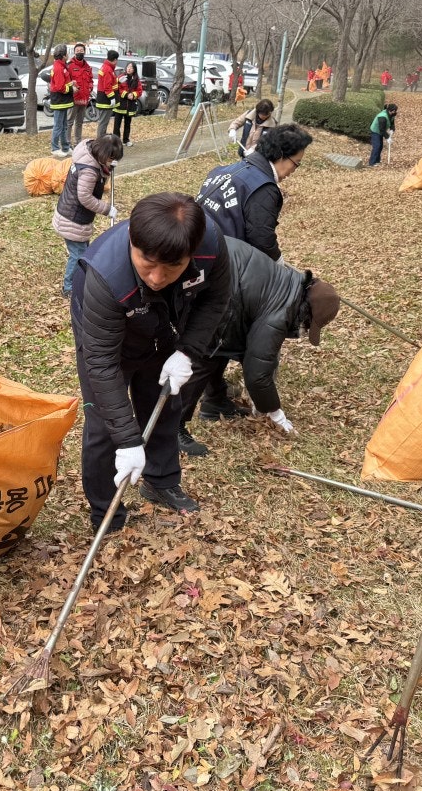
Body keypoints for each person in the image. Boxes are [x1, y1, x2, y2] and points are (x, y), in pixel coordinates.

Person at [71, 192, 231, 527]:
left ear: (192, 252)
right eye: (147, 262)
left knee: (163, 401)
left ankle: (161, 481)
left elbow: (216, 299)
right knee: (104, 424)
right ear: (132, 238)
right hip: (110, 339)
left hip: (163, 325)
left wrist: (187, 350)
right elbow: (101, 363)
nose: (157, 278)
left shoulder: (210, 244)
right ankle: (106, 512)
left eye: (172, 267)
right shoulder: (105, 276)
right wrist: (128, 440)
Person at [176, 238, 339, 456]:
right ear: (306, 312)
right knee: (203, 358)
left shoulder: (288, 284)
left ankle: (215, 403)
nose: (303, 330)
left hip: (223, 277)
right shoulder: (282, 310)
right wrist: (275, 412)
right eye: (307, 325)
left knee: (219, 348)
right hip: (213, 284)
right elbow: (257, 372)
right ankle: (172, 428)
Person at [196, 123, 313, 262]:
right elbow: (262, 240)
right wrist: (278, 263)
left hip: (194, 242)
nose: (294, 170)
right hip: (216, 260)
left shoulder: (224, 170)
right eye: (296, 163)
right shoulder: (263, 189)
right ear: (281, 155)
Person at [51, 134, 123, 298]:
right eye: (111, 158)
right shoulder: (89, 171)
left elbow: (99, 176)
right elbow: (85, 197)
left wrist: (108, 169)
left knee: (83, 251)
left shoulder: (89, 153)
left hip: (74, 214)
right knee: (78, 255)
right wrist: (106, 209)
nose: (112, 162)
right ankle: (69, 287)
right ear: (103, 154)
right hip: (72, 218)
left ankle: (81, 279)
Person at [66, 42, 94, 148]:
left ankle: (78, 142)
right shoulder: (69, 65)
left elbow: (90, 80)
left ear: (84, 52)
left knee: (79, 122)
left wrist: (90, 87)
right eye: (77, 51)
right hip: (73, 99)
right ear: (74, 52)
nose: (79, 52)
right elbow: (66, 81)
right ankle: (67, 143)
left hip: (84, 99)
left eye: (81, 51)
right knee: (69, 122)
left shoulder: (88, 67)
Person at [48, 45, 75, 156]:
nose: (68, 55)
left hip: (63, 101)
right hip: (59, 101)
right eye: (67, 53)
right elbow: (60, 87)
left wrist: (71, 84)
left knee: (64, 126)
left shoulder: (62, 66)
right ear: (63, 55)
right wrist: (71, 89)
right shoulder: (59, 68)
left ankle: (65, 147)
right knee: (58, 126)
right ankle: (54, 148)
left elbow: (63, 83)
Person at [112, 62, 143, 147]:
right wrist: (126, 94)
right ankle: (116, 142)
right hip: (120, 104)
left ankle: (126, 140)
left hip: (130, 105)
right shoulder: (121, 77)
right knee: (117, 124)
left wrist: (133, 95)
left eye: (131, 67)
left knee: (127, 124)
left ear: (134, 70)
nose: (129, 69)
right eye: (128, 67)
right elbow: (117, 88)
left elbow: (139, 91)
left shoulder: (136, 80)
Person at [94, 49, 119, 139]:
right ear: (115, 60)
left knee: (104, 122)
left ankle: (101, 139)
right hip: (105, 100)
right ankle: (100, 141)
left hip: (104, 98)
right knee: (103, 122)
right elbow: (107, 86)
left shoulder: (106, 67)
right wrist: (112, 98)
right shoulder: (108, 69)